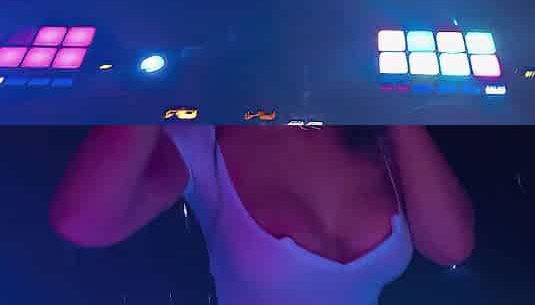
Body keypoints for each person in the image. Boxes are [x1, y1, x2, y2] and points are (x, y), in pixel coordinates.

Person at [50, 125, 475, 305]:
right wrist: (158, 76)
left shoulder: (375, 137)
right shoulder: (206, 139)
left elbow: (451, 246)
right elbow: (83, 222)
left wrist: (391, 102)